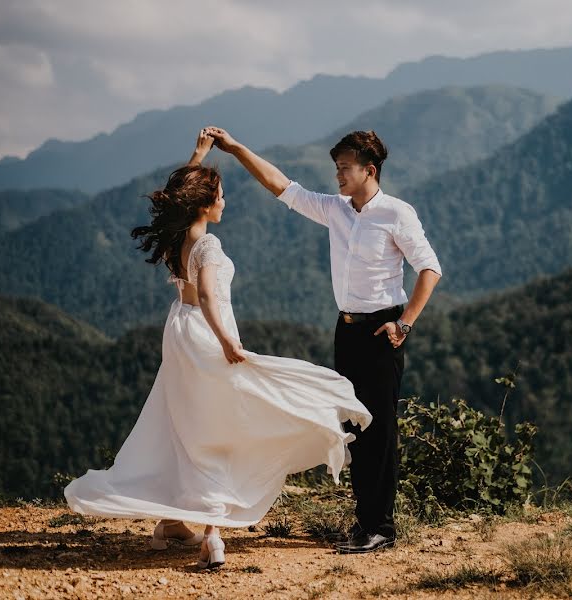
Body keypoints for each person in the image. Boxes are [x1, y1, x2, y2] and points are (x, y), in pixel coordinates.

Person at [64, 130, 372, 569]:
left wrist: (201, 154)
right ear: (204, 204)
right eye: (220, 196)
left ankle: (173, 522)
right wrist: (229, 342)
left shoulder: (177, 238)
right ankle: (212, 531)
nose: (225, 203)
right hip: (208, 334)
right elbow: (208, 295)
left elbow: (180, 197)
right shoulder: (208, 244)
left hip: (181, 333)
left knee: (186, 422)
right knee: (222, 425)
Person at [204, 126, 442, 554]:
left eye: (345, 168)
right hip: (347, 329)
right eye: (336, 169)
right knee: (353, 426)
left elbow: (430, 269)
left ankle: (380, 529)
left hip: (383, 329)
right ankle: (364, 523)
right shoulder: (336, 209)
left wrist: (403, 324)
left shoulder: (397, 214)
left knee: (379, 430)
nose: (338, 176)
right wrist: (237, 148)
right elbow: (282, 187)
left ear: (369, 170)